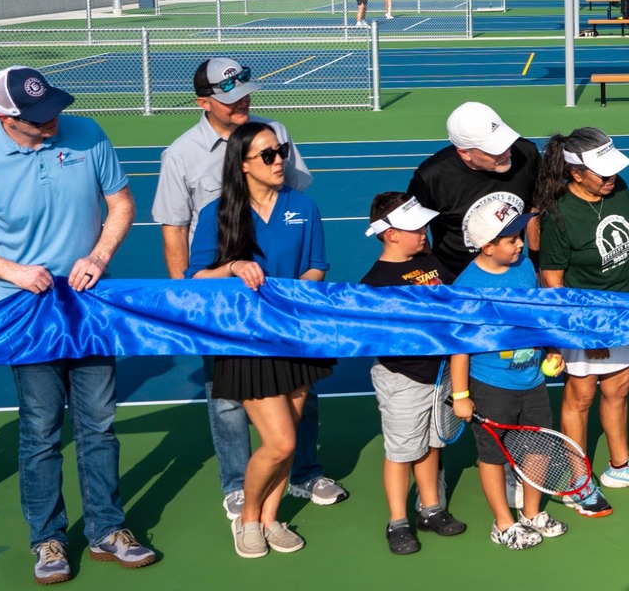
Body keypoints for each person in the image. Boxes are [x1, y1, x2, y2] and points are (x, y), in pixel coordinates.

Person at [0, 67, 158, 584]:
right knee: (41, 431)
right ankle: (49, 539)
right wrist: (12, 271)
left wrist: (99, 255)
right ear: (6, 117)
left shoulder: (88, 132)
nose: (52, 119)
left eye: (53, 107)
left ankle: (107, 529)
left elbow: (120, 202)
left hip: (89, 306)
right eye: (37, 116)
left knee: (99, 424)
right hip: (26, 314)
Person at [151, 58, 341, 519]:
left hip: (281, 300)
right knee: (226, 396)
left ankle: (302, 471)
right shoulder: (181, 154)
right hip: (222, 298)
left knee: (302, 388)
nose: (243, 103)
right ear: (204, 103)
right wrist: (188, 299)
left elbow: (291, 203)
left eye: (246, 94)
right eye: (231, 98)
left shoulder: (272, 131)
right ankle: (238, 484)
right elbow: (175, 228)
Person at [186, 121, 333, 558]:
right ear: (243, 165)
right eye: (267, 155)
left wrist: (293, 295)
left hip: (294, 338)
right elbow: (195, 278)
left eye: (281, 150)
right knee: (282, 441)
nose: (279, 161)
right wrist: (231, 267)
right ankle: (248, 519)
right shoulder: (218, 213)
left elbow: (316, 268)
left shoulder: (302, 207)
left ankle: (271, 519)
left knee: (285, 438)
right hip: (246, 342)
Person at [534, 128, 629, 519]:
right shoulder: (558, 214)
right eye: (601, 174)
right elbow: (552, 282)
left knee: (620, 388)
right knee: (582, 397)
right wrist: (577, 334)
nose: (610, 178)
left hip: (622, 313)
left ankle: (620, 467)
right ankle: (577, 483)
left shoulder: (619, 189)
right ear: (576, 174)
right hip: (582, 319)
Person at [447, 199, 570, 551]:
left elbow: (537, 317)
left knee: (540, 448)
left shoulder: (523, 266)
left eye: (518, 236)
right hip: (490, 385)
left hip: (532, 380)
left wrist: (552, 349)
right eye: (511, 239)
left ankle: (531, 514)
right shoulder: (467, 285)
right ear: (487, 246)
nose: (520, 243)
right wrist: (460, 395)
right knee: (493, 455)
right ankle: (503, 523)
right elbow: (460, 344)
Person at [357, 193, 466, 556]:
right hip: (403, 378)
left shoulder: (430, 260)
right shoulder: (374, 283)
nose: (423, 231)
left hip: (440, 373)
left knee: (433, 443)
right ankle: (398, 521)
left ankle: (431, 509)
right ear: (390, 234)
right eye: (415, 227)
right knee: (403, 450)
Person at [407, 101, 541, 279]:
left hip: (516, 273)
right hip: (455, 278)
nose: (507, 153)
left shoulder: (526, 154)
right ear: (465, 153)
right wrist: (433, 275)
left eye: (506, 142)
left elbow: (535, 207)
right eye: (495, 150)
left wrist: (536, 264)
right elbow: (414, 231)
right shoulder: (431, 178)